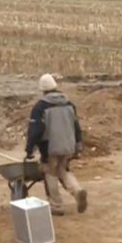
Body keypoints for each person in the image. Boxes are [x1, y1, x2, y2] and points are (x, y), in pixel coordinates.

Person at [25, 74, 87, 216]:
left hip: (50, 147)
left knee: (50, 172)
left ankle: (56, 206)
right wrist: (78, 145)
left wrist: (29, 149)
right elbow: (76, 126)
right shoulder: (69, 104)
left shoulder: (40, 107)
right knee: (63, 170)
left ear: (42, 90)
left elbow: (35, 131)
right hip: (68, 146)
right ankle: (77, 191)